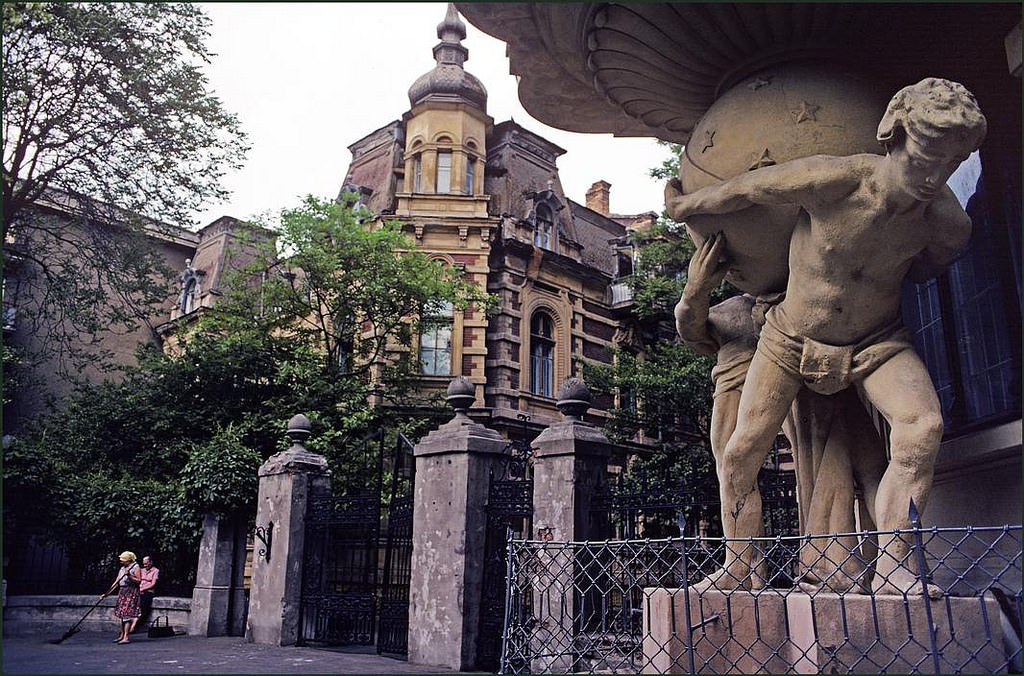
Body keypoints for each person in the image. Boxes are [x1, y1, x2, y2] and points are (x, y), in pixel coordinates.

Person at [665, 78, 986, 596]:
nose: (934, 174)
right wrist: (685, 209)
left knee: (922, 427)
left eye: (951, 161)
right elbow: (750, 188)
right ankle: (741, 566)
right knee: (740, 450)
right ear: (894, 133)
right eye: (926, 152)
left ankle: (895, 567)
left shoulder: (949, 224)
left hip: (876, 341)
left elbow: (929, 270)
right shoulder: (838, 180)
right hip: (790, 337)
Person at [676, 233, 886, 593]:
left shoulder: (798, 296)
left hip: (800, 380)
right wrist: (696, 288)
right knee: (732, 463)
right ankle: (742, 563)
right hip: (734, 385)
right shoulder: (729, 311)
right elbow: (690, 328)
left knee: (832, 455)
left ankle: (839, 560)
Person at [100, 551, 143, 643]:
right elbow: (117, 582)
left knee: (127, 614)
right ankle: (122, 635)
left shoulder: (136, 567)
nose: (121, 562)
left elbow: (139, 581)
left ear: (128, 560)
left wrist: (129, 575)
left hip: (131, 592)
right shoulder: (122, 568)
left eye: (123, 560)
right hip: (123, 592)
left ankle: (126, 637)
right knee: (122, 614)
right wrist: (107, 593)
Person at [135, 555, 160, 632]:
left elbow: (153, 584)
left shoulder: (155, 571)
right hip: (139, 590)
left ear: (151, 562)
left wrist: (143, 588)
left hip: (148, 591)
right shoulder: (141, 570)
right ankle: (131, 626)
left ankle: (135, 626)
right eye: (144, 564)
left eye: (146, 563)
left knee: (144, 606)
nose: (145, 565)